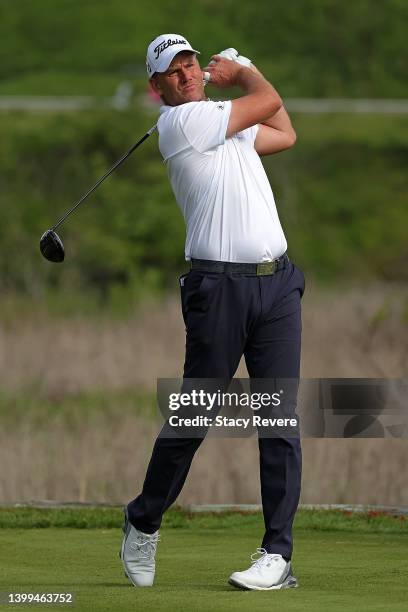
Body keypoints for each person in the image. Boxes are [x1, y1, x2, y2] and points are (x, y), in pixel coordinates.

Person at [120, 33, 305, 591]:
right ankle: (144, 519)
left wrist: (243, 80)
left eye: (192, 63)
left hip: (277, 286)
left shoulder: (226, 125)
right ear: (158, 88)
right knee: (196, 415)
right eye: (174, 71)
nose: (188, 74)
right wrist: (245, 68)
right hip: (218, 290)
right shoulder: (184, 125)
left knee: (279, 420)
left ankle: (277, 553)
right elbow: (268, 101)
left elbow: (285, 133)